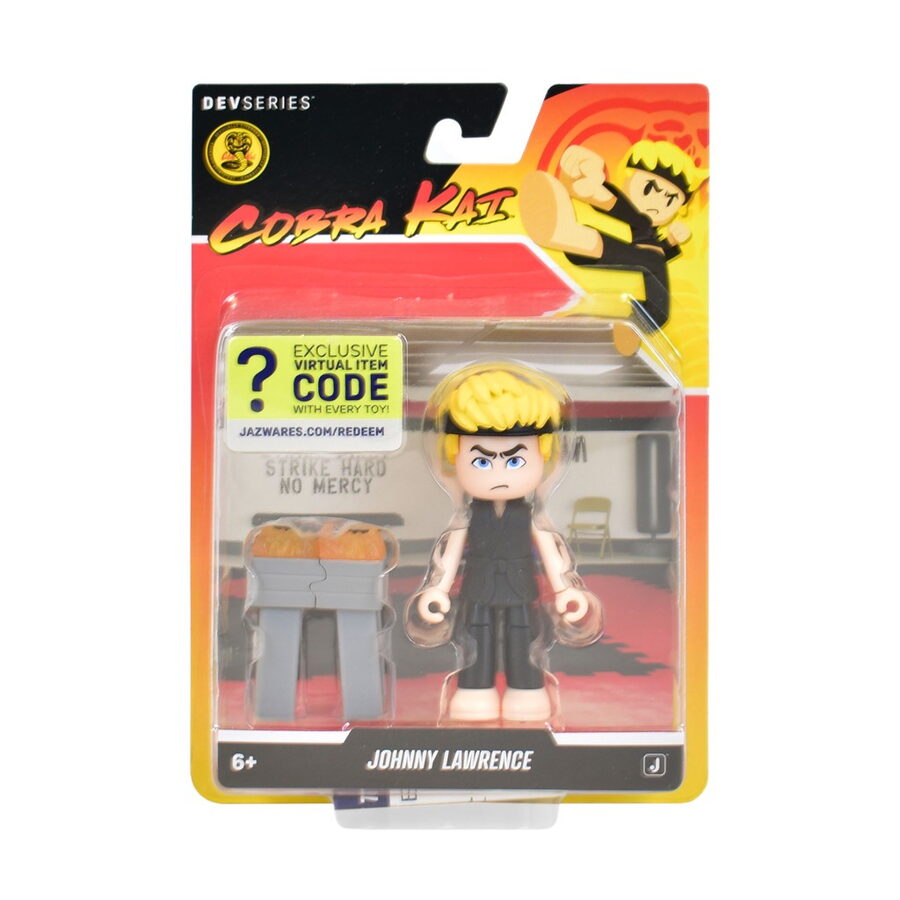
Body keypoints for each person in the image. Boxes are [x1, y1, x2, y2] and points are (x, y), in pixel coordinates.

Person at [407, 363, 602, 723]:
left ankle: (527, 689)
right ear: (454, 458)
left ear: (543, 457)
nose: (499, 472)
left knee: (522, 635)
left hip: (520, 587)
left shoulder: (530, 516)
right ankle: (474, 689)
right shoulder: (469, 516)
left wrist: (565, 589)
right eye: (482, 461)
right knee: (475, 635)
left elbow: (551, 550)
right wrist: (437, 588)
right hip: (478, 586)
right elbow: (449, 553)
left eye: (514, 460)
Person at [521, 139, 708, 338]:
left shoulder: (647, 231)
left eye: (670, 199)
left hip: (640, 284)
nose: (657, 203)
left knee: (650, 255)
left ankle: (578, 222)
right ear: (626, 179)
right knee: (646, 241)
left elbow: (651, 244)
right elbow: (622, 208)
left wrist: (671, 241)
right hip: (639, 268)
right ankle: (579, 212)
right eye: (648, 189)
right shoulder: (642, 224)